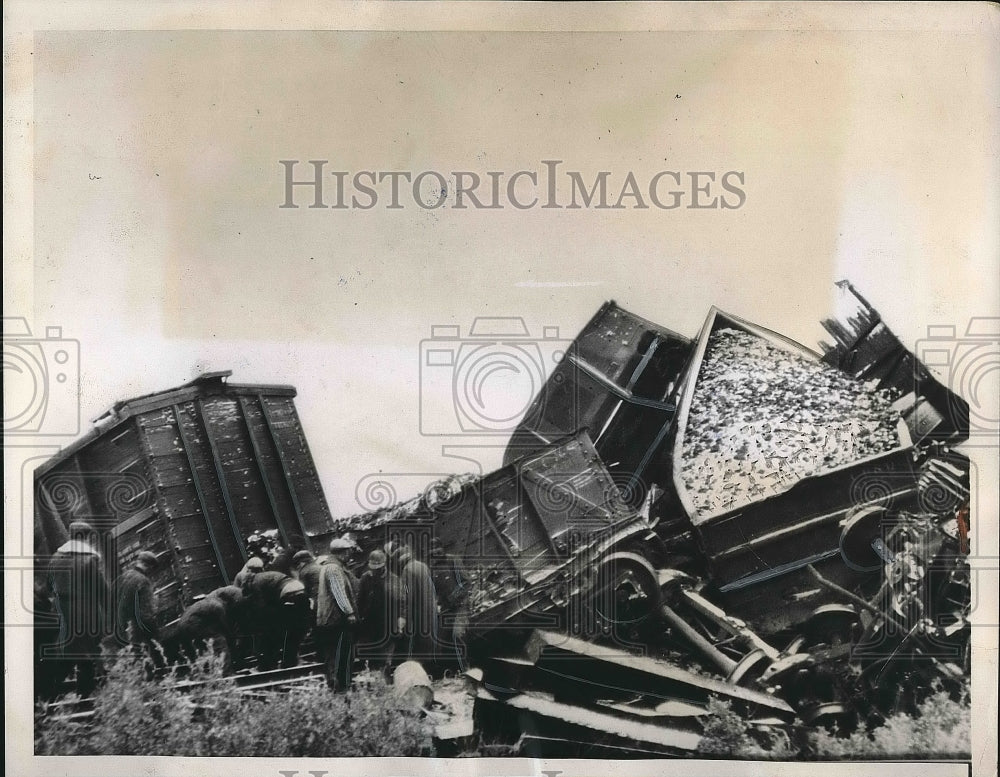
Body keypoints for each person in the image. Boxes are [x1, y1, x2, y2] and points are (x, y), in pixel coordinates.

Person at [46, 520, 110, 697]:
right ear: (85, 538)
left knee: (66, 655)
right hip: (85, 615)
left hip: (61, 615)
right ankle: (85, 699)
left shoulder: (55, 558)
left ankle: (46, 695)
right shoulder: (88, 560)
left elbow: (48, 588)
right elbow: (102, 592)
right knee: (86, 657)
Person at [244, 569, 311, 670]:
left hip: (288, 592)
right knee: (295, 627)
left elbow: (261, 606)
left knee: (280, 628)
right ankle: (290, 660)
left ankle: (276, 662)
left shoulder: (254, 583)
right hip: (300, 588)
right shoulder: (267, 575)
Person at [315, 538, 359, 692]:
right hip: (335, 621)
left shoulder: (330, 567)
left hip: (330, 621)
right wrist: (350, 613)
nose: (350, 554)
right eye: (348, 551)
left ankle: (338, 686)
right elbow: (339, 593)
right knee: (342, 654)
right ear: (342, 552)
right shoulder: (334, 568)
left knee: (334, 655)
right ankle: (341, 687)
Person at [166, 585, 245, 671]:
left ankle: (206, 671)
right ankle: (226, 672)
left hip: (183, 626)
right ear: (227, 601)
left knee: (202, 649)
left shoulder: (208, 602)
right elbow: (226, 629)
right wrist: (234, 644)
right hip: (192, 625)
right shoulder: (219, 606)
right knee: (220, 641)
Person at [357, 549, 406, 679]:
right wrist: (359, 619)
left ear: (384, 565)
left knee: (386, 656)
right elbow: (360, 601)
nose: (376, 571)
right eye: (373, 568)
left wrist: (401, 620)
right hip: (370, 622)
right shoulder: (365, 578)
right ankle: (374, 679)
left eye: (378, 568)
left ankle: (385, 678)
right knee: (371, 655)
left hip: (388, 622)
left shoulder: (394, 579)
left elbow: (402, 602)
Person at [113, 550, 163, 668]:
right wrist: (154, 632)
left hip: (119, 623)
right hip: (136, 625)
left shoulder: (123, 576)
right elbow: (146, 612)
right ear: (149, 567)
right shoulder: (143, 581)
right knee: (154, 652)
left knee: (129, 658)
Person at [429, 538, 470, 672]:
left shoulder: (453, 560)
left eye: (437, 548)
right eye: (433, 549)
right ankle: (449, 671)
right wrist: (436, 603)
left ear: (443, 548)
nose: (436, 551)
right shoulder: (432, 568)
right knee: (438, 641)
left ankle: (466, 670)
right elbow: (434, 591)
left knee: (457, 635)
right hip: (446, 609)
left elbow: (467, 582)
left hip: (461, 606)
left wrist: (454, 596)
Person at [398, 546, 438, 666]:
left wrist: (404, 616)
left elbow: (407, 595)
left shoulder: (407, 570)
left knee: (417, 645)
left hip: (418, 612)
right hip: (430, 609)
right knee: (428, 642)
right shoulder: (423, 566)